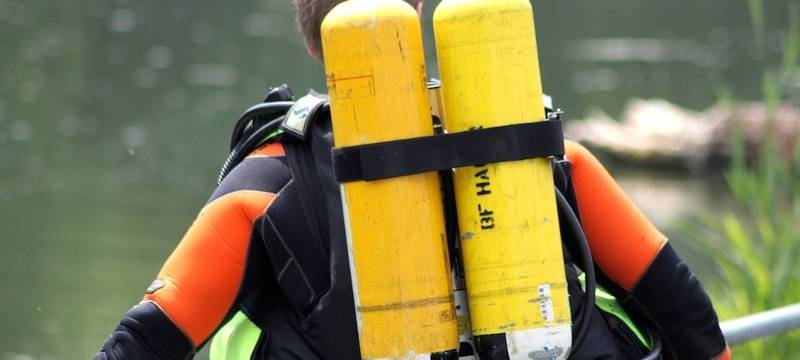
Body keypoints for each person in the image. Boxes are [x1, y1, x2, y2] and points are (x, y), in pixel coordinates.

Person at [94, 0, 732, 359]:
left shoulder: (266, 189)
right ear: (419, 11)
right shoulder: (542, 156)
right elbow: (689, 315)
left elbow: (142, 345)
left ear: (312, 39)